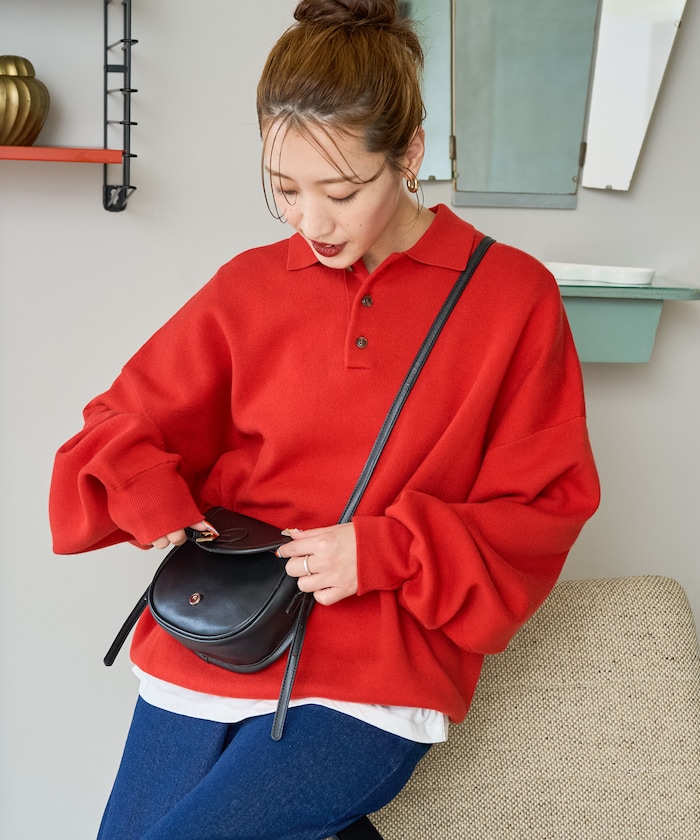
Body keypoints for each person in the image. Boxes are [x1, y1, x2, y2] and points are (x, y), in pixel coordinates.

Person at [49, 1, 600, 838]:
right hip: (216, 638)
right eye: (285, 190)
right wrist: (152, 498)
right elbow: (119, 421)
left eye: (341, 192)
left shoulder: (511, 297)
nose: (312, 223)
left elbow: (545, 504)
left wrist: (385, 549)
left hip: (376, 668)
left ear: (409, 154)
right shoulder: (249, 285)